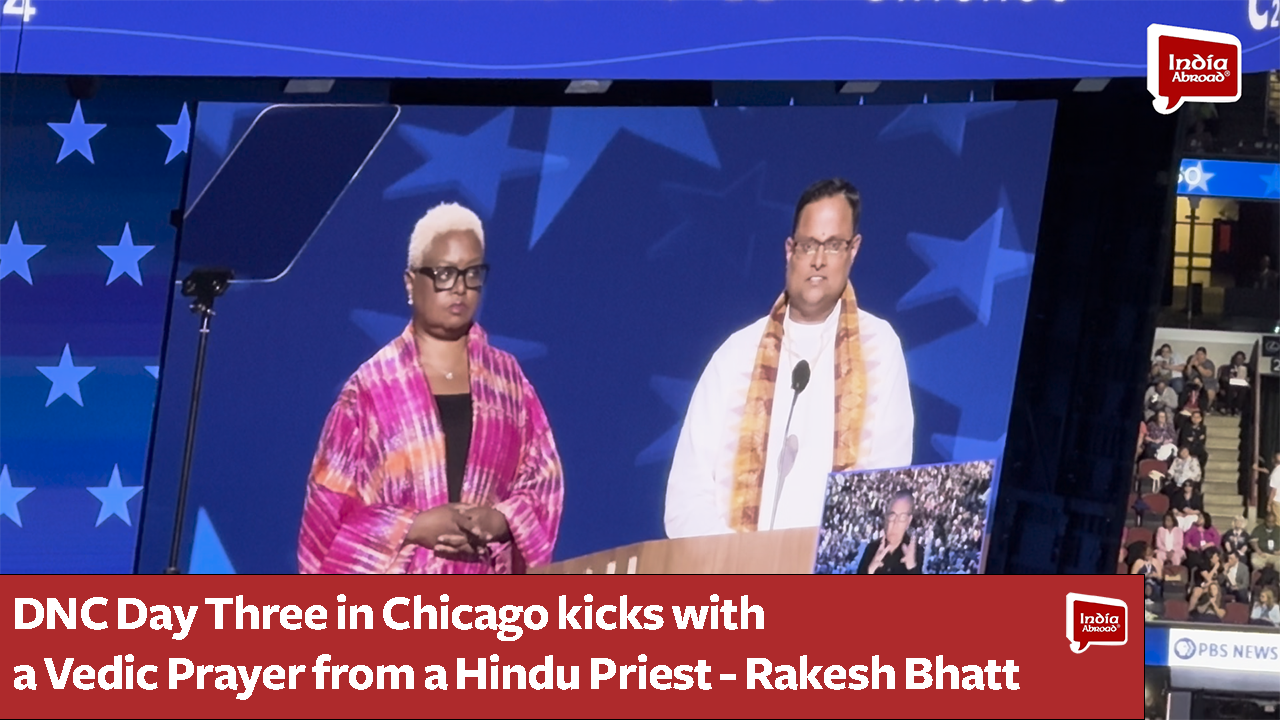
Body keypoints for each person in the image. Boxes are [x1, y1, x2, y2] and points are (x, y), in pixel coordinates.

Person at [297, 202, 565, 574]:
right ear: (410, 282)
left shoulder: (509, 383)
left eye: (473, 274)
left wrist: (499, 520)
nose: (459, 288)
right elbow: (325, 524)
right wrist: (413, 526)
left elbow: (543, 485)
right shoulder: (370, 391)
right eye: (444, 273)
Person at [665, 178, 913, 537]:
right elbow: (685, 499)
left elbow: (887, 484)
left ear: (853, 250)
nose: (817, 260)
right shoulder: (737, 355)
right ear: (789, 250)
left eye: (833, 246)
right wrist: (741, 566)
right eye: (808, 244)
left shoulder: (880, 347)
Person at [856, 490, 924, 575]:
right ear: (886, 518)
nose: (895, 523)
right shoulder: (871, 549)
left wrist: (911, 568)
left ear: (908, 521)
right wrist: (869, 571)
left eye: (902, 518)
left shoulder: (916, 553)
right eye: (892, 516)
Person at [1220, 351, 1250, 417]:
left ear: (1244, 360)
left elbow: (1251, 378)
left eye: (1241, 359)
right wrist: (1228, 377)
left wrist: (1247, 379)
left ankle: (1238, 409)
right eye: (1238, 358)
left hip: (1242, 385)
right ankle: (1228, 408)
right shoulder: (1228, 368)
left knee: (1243, 389)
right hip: (1230, 384)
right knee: (1231, 388)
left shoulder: (1247, 368)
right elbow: (1223, 378)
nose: (1239, 360)